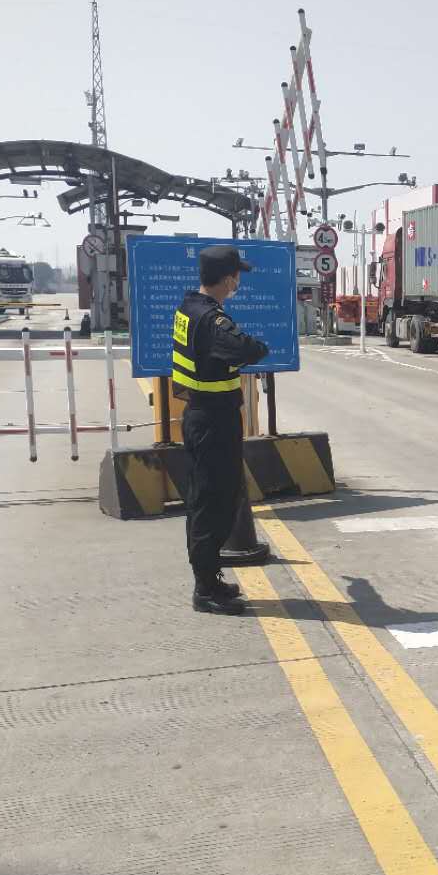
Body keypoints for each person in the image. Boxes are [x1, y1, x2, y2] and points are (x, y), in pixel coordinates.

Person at [172, 244, 270, 615]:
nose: (238, 281)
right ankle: (205, 588)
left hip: (204, 414)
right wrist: (256, 346)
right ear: (228, 279)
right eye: (236, 275)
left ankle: (210, 579)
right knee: (212, 504)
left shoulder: (189, 308)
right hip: (212, 420)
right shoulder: (211, 320)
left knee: (212, 499)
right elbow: (247, 348)